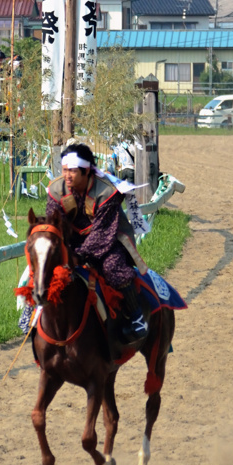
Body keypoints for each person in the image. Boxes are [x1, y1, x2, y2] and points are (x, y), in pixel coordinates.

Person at [45, 142, 150, 344]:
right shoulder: (56, 190)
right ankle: (34, 312)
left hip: (109, 240)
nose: (67, 175)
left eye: (73, 171)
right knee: (46, 266)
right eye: (65, 170)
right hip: (72, 241)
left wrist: (79, 255)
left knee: (113, 268)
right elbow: (55, 221)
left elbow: (102, 232)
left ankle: (136, 317)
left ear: (86, 172)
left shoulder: (106, 192)